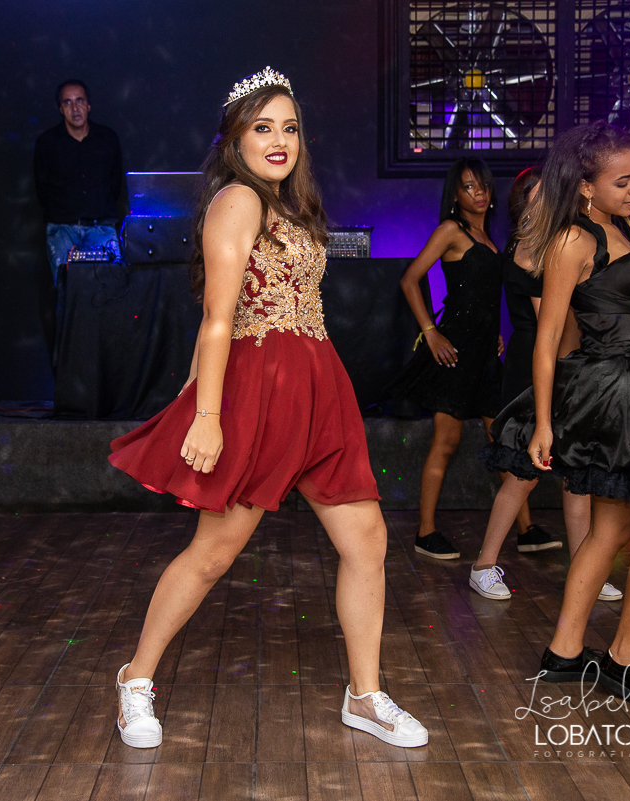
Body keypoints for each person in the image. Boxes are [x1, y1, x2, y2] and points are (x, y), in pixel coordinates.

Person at [106, 68, 427, 750]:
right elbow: (217, 319)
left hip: (320, 387)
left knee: (367, 540)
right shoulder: (238, 202)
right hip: (260, 392)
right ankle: (135, 678)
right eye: (263, 127)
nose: (279, 140)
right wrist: (207, 412)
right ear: (234, 139)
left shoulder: (291, 207)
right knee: (213, 552)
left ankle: (364, 696)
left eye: (289, 127)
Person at [489, 121, 630, 708]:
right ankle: (624, 659)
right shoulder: (573, 241)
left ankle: (565, 653)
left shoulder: (617, 226)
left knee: (612, 528)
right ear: (586, 186)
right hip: (621, 395)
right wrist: (545, 421)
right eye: (624, 179)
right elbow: (546, 340)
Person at [469, 169, 621, 602]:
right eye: (536, 196)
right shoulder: (531, 249)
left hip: (567, 365)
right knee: (525, 473)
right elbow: (551, 326)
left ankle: (585, 570)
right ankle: (483, 566)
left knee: (576, 478)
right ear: (522, 204)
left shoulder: (564, 243)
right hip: (536, 367)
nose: (547, 202)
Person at [385, 159, 505, 560]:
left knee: (503, 439)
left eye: (483, 185)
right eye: (469, 187)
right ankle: (425, 532)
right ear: (455, 195)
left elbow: (485, 296)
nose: (479, 193)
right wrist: (431, 332)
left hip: (486, 352)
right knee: (447, 440)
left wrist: (498, 333)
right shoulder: (451, 231)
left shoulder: (488, 237)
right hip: (455, 350)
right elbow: (409, 278)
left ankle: (526, 529)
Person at [33, 79, 125, 285]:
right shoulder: (48, 143)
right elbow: (42, 189)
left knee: (112, 290)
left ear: (89, 105)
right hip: (63, 230)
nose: (75, 108)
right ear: (60, 108)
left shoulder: (107, 139)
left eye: (80, 101)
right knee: (67, 296)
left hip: (101, 228)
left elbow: (116, 183)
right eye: (67, 102)